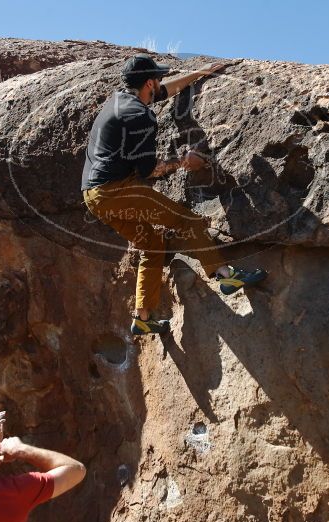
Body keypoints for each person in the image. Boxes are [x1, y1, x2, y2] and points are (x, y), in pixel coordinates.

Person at [82, 54, 267, 336]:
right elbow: (149, 171)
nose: (159, 83)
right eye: (156, 79)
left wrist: (201, 72)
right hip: (116, 191)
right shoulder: (141, 116)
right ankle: (226, 276)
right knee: (188, 221)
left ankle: (143, 317)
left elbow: (167, 90)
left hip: (93, 197)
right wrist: (184, 162)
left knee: (152, 243)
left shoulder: (119, 101)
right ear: (148, 82)